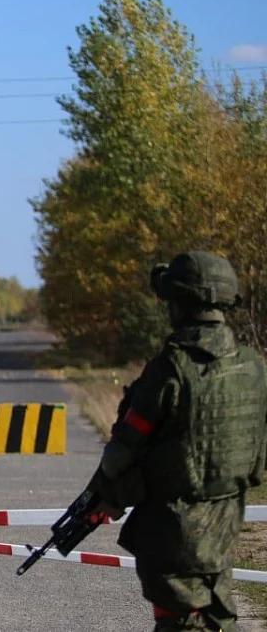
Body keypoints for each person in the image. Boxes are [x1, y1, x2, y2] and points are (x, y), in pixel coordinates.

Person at [87, 251, 267, 631]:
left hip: (174, 527)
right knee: (216, 615)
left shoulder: (171, 369)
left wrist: (107, 495)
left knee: (181, 621)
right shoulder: (252, 365)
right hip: (225, 522)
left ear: (180, 304)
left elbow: (124, 449)